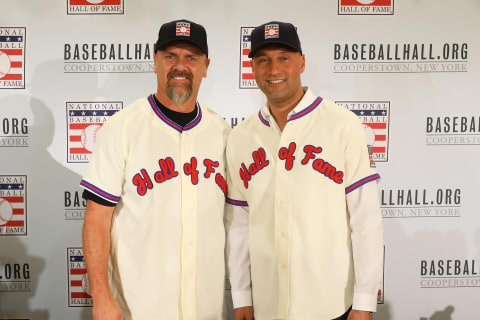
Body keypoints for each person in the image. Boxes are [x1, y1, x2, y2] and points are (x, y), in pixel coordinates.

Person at [226, 21, 383, 320]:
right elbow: (239, 224)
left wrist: (364, 302)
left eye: (284, 58)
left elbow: (366, 219)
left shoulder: (343, 125)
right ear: (253, 68)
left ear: (302, 61)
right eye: (263, 60)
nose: (274, 69)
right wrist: (242, 295)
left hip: (331, 305)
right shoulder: (241, 137)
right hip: (267, 305)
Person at [80, 19, 230, 320]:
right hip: (138, 307)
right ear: (155, 62)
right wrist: (101, 296)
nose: (180, 66)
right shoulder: (122, 127)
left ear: (205, 66)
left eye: (191, 58)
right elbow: (97, 219)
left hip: (205, 307)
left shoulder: (223, 133)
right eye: (170, 56)